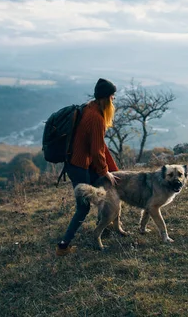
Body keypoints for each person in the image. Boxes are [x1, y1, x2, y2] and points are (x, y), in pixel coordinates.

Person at [56, 78, 119, 256]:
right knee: (83, 208)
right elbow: (97, 149)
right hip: (79, 166)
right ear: (106, 98)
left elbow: (99, 147)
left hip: (76, 163)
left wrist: (110, 169)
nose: (114, 100)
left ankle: (105, 225)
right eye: (112, 97)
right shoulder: (96, 118)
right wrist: (105, 171)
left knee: (104, 192)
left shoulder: (89, 107)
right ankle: (63, 246)